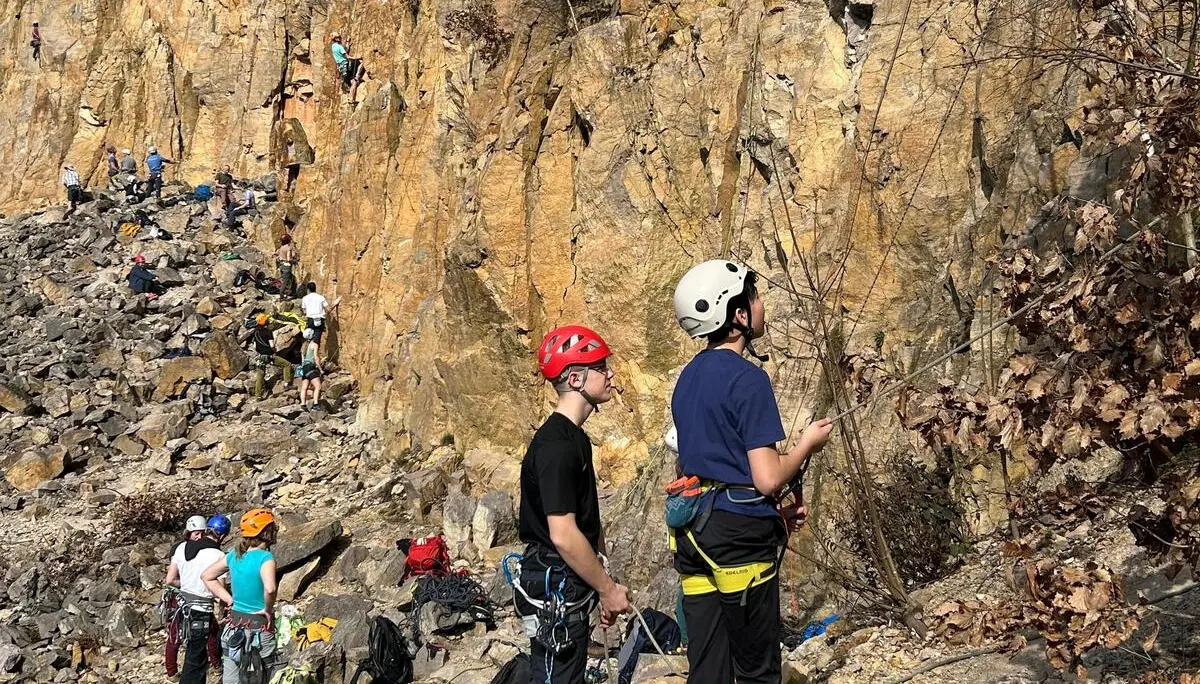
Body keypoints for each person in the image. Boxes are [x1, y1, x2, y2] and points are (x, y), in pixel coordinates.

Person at [669, 260, 833, 684]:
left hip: (693, 535)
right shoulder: (748, 379)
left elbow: (706, 465)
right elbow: (767, 478)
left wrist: (770, 515)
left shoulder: (686, 379)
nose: (761, 304)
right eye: (754, 296)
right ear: (738, 315)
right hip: (738, 543)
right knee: (757, 671)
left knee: (708, 669)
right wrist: (806, 445)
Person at [515, 325, 632, 684]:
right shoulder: (557, 447)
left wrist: (601, 579)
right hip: (557, 587)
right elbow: (564, 534)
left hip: (566, 584)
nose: (610, 374)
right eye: (602, 367)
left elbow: (583, 519)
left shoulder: (573, 439)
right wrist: (607, 590)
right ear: (577, 377)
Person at [202, 509, 280, 684]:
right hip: (259, 626)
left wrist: (230, 600)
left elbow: (207, 576)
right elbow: (270, 588)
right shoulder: (266, 558)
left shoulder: (234, 554)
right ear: (266, 532)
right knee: (263, 675)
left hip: (234, 624)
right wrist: (267, 609)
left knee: (231, 675)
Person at [164, 515, 227, 684]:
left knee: (182, 644)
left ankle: (172, 671)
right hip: (201, 609)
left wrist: (188, 582)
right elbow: (217, 589)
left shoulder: (181, 547)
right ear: (222, 535)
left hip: (182, 604)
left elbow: (170, 580)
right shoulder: (218, 555)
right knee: (196, 658)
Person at [249, 314, 294, 399]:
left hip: (260, 357)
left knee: (260, 374)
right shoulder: (268, 332)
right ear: (265, 322)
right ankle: (286, 384)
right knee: (287, 364)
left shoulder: (256, 333)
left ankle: (258, 395)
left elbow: (254, 346)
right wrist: (274, 351)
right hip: (270, 356)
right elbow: (272, 345)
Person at [300, 282, 341, 365]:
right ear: (315, 288)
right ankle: (315, 362)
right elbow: (328, 309)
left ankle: (304, 359)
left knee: (308, 338)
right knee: (316, 343)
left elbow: (304, 311)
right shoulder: (320, 297)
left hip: (310, 320)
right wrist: (335, 302)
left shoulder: (305, 298)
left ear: (308, 289)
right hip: (319, 321)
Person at [330, 33, 366, 103]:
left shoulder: (333, 47)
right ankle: (357, 76)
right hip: (346, 65)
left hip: (342, 68)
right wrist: (358, 57)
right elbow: (347, 56)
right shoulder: (339, 47)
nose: (340, 38)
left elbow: (343, 52)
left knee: (353, 82)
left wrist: (347, 43)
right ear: (335, 39)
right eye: (338, 37)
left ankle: (351, 99)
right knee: (360, 63)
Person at [297, 338, 322, 411]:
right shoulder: (314, 345)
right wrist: (320, 369)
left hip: (304, 368)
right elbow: (316, 357)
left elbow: (302, 360)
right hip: (311, 367)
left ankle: (303, 404)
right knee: (318, 386)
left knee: (304, 387)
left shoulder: (304, 346)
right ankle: (316, 404)